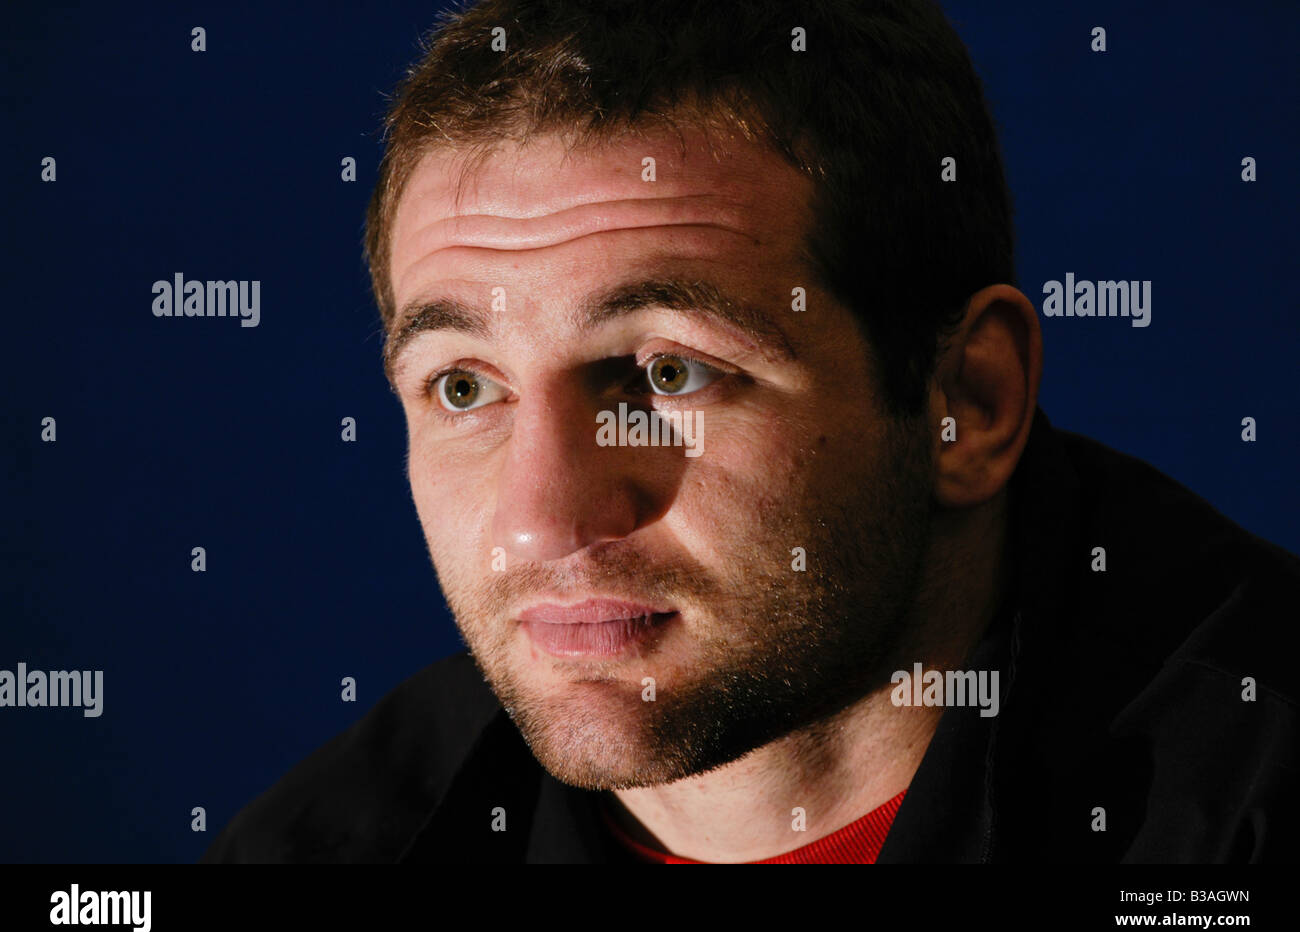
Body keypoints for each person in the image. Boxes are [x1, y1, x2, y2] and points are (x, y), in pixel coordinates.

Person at [202, 0, 1298, 863]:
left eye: (666, 371)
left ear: (967, 401)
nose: (538, 526)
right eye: (460, 389)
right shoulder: (339, 841)